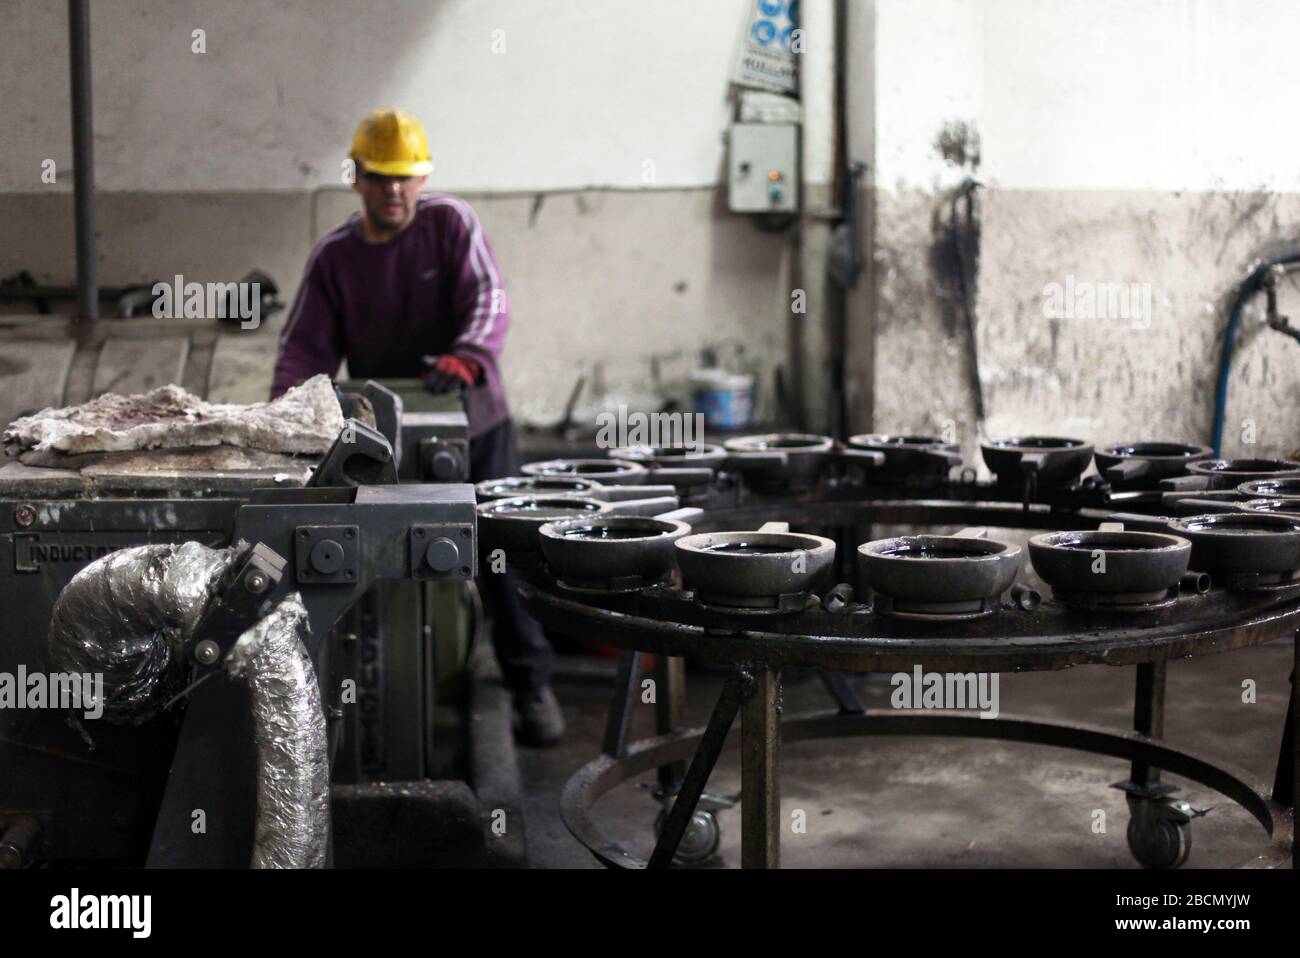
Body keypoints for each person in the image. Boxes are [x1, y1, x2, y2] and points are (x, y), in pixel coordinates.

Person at [271, 107, 564, 746]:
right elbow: (302, 352)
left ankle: (529, 684)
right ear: (357, 179)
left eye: (406, 178)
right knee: (388, 567)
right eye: (380, 178)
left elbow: (490, 298)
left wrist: (468, 356)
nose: (394, 191)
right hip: (388, 449)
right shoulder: (336, 260)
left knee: (502, 557)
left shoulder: (451, 225)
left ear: (423, 178)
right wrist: (290, 419)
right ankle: (396, 705)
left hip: (477, 430)